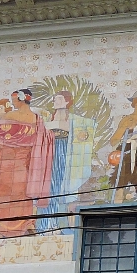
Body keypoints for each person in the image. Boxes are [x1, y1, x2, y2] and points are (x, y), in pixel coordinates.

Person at [0, 90, 54, 237]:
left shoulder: (10, 116)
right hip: (24, 167)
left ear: (20, 100)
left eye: (13, 99)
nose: (12, 102)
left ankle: (1, 228)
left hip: (7, 167)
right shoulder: (37, 119)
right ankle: (24, 226)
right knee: (22, 197)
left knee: (5, 198)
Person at [39, 91, 98, 232]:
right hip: (49, 155)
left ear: (67, 101)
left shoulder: (74, 120)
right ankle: (45, 224)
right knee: (48, 189)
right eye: (54, 99)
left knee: (62, 189)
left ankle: (60, 223)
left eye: (58, 99)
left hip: (65, 153)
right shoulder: (47, 118)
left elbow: (85, 130)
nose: (54, 101)